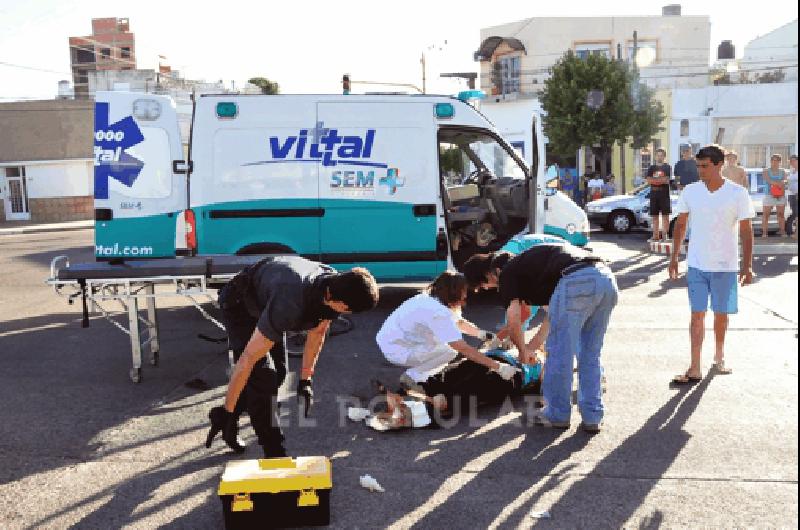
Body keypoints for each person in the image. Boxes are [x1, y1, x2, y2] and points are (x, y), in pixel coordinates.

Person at [206, 256, 379, 457]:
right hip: (240, 304)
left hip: (269, 299)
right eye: (348, 310)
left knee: (279, 372)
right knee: (263, 377)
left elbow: (317, 333)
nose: (347, 315)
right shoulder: (290, 304)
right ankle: (273, 451)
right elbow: (247, 360)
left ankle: (227, 418)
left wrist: (305, 380)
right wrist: (227, 411)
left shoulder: (334, 285)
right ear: (335, 300)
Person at [463, 243, 618, 433]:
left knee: (560, 353)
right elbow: (551, 317)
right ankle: (593, 416)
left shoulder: (507, 273)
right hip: (606, 279)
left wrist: (522, 352)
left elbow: (514, 319)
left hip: (578, 280)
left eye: (484, 285)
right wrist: (530, 347)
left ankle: (557, 414)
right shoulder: (532, 269)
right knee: (589, 353)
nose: (489, 288)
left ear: (490, 274)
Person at [668, 145, 755, 384]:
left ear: (719, 165)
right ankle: (695, 366)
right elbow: (680, 225)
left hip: (726, 265)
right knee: (697, 314)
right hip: (696, 263)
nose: (700, 170)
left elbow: (747, 232)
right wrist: (674, 257)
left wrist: (747, 266)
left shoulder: (737, 193)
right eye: (698, 166)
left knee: (721, 315)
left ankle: (719, 356)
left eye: (705, 166)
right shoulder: (691, 192)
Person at [376, 271, 520, 412]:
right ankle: (413, 377)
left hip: (395, 339)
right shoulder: (437, 312)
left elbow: (458, 322)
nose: (466, 295)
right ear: (454, 292)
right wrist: (498, 367)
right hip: (397, 348)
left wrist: (482, 334)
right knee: (449, 350)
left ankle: (423, 375)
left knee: (444, 346)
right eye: (464, 291)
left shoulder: (433, 298)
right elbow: (463, 348)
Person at [646, 148, 673, 242]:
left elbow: (666, 180)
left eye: (661, 155)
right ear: (655, 156)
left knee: (665, 216)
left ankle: (665, 236)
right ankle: (655, 236)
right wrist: (659, 180)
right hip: (653, 195)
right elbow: (649, 181)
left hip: (664, 195)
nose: (659, 157)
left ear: (664, 156)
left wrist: (655, 180)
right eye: (658, 155)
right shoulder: (651, 168)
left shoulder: (667, 167)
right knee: (655, 216)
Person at [762, 154, 788, 238]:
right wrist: (779, 183)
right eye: (773, 160)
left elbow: (785, 180)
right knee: (766, 215)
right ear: (770, 161)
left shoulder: (783, 171)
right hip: (769, 195)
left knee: (781, 214)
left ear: (780, 162)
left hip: (780, 195)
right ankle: (764, 233)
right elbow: (768, 180)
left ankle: (783, 232)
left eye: (777, 160)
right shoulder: (766, 170)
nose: (774, 162)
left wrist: (783, 182)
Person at [787, 155, 798, 238]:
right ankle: (793, 232)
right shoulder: (792, 171)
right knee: (795, 213)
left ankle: (795, 233)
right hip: (791, 195)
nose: (792, 162)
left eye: (793, 160)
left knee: (797, 213)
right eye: (790, 161)